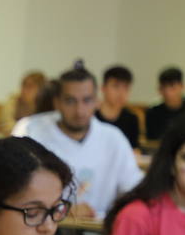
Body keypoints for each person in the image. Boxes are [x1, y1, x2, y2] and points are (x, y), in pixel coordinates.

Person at [12, 65, 141, 219]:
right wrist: (59, 209)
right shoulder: (30, 131)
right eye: (70, 101)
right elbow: (13, 189)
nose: (79, 110)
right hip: (39, 228)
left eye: (87, 100)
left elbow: (135, 191)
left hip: (100, 233)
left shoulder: (113, 138)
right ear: (57, 102)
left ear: (97, 101)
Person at [145, 67, 185, 142]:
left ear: (182, 87)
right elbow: (152, 141)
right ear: (159, 90)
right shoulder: (152, 113)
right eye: (164, 87)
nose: (168, 92)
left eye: (172, 87)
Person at [96, 65, 140, 149]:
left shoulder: (132, 119)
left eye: (126, 87)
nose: (121, 93)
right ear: (103, 88)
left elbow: (134, 150)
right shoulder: (91, 117)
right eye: (116, 86)